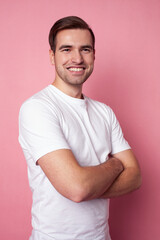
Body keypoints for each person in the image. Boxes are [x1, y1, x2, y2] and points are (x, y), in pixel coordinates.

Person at [19, 16, 141, 240]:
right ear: (51, 56)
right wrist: (115, 164)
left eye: (85, 49)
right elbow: (77, 188)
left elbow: (135, 177)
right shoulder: (37, 108)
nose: (77, 58)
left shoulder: (104, 112)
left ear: (94, 55)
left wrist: (86, 187)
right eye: (66, 49)